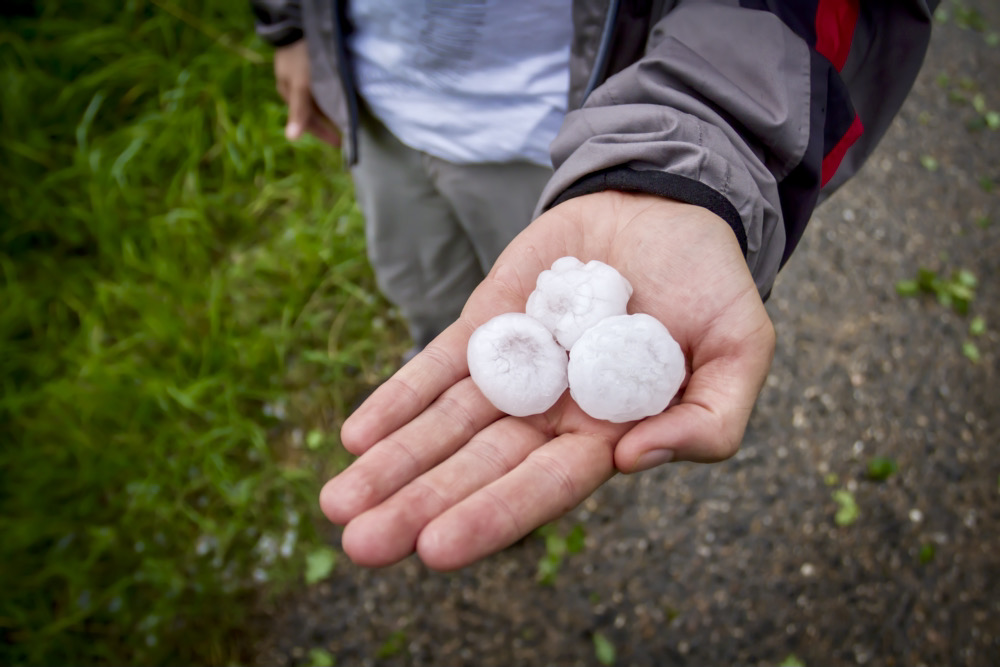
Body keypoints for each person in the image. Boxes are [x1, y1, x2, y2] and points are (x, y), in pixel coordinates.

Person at [253, 0, 937, 570]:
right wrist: (286, 25)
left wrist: (700, 149)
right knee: (427, 294)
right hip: (374, 99)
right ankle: (440, 377)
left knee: (481, 288)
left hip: (570, 125)